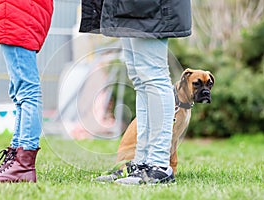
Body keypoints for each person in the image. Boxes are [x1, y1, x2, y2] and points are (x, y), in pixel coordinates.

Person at [80, 0, 192, 185]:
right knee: (140, 79)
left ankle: (159, 165)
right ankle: (142, 162)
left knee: (154, 76)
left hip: (149, 6)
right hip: (131, 7)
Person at [0, 0, 53, 183]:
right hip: (19, 13)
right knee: (20, 93)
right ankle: (16, 158)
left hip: (17, 13)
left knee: (27, 91)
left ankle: (23, 166)